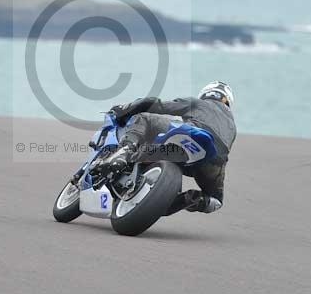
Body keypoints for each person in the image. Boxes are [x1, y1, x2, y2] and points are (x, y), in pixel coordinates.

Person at [101, 81, 236, 215]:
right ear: (228, 101)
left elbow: (155, 104)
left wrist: (124, 110)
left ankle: (123, 152)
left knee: (143, 118)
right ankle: (190, 199)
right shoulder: (232, 126)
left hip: (192, 134)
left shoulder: (197, 103)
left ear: (206, 94)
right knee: (215, 200)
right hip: (214, 159)